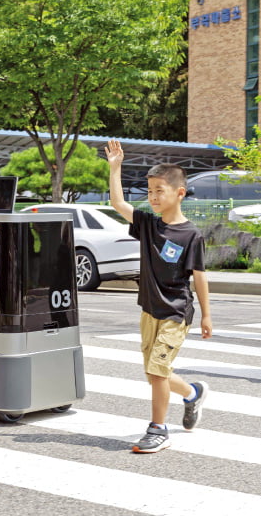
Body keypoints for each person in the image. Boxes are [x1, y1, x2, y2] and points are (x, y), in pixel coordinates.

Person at [106, 139, 213, 452]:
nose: (152, 197)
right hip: (149, 310)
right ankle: (193, 394)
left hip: (175, 313)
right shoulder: (148, 225)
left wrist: (206, 314)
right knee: (157, 374)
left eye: (159, 190)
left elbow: (200, 276)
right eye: (149, 191)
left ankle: (158, 429)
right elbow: (118, 204)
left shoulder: (190, 234)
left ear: (179, 193)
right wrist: (116, 169)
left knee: (156, 372)